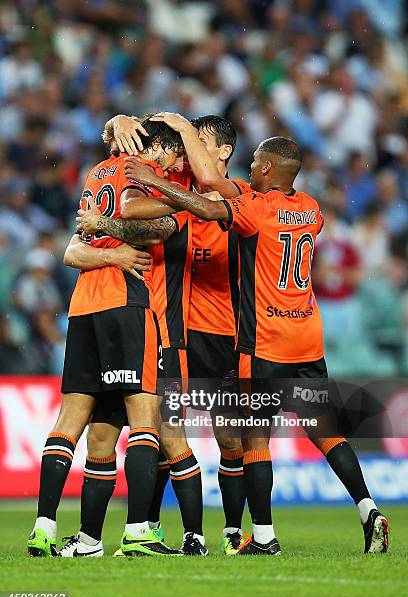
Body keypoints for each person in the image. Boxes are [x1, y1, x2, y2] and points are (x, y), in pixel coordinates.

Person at [123, 136, 390, 555]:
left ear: (266, 169)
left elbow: (210, 206)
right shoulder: (311, 210)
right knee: (326, 431)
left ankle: (263, 536)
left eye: (255, 163)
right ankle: (368, 507)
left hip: (264, 342)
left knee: (254, 440)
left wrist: (168, 186)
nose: (249, 168)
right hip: (307, 339)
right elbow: (235, 194)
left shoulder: (257, 210)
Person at [88, 111, 254, 554]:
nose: (185, 148)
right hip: (170, 330)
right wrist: (120, 119)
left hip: (224, 335)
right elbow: (140, 155)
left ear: (222, 152)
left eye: (196, 140)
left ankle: (227, 531)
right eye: (185, 141)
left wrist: (178, 140)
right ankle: (155, 528)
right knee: (162, 431)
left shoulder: (235, 195)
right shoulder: (179, 180)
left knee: (226, 436)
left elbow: (186, 197)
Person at [27, 117, 186, 558]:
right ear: (158, 149)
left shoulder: (97, 173)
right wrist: (181, 205)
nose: (173, 170)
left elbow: (72, 251)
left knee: (77, 425)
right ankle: (137, 533)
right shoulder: (141, 172)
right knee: (144, 420)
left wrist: (102, 243)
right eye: (173, 157)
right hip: (126, 302)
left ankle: (47, 528)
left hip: (83, 308)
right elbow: (139, 214)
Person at [60, 115, 207, 557]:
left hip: (165, 331)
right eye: (178, 147)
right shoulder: (140, 175)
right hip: (124, 319)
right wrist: (116, 121)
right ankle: (92, 539)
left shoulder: (185, 193)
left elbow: (151, 221)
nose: (180, 157)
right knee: (103, 435)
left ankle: (182, 534)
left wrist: (105, 224)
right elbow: (116, 204)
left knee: (169, 433)